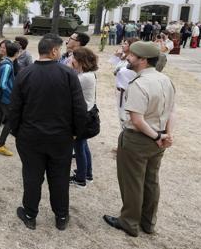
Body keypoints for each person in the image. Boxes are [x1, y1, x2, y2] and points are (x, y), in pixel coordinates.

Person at [9, 34, 87, 231]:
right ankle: (61, 216)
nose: (60, 53)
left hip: (30, 137)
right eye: (59, 50)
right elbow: (79, 108)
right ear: (53, 51)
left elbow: (14, 108)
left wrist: (17, 131)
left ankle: (29, 214)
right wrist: (76, 133)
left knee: (32, 176)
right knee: (59, 177)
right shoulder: (68, 74)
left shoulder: (24, 74)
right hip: (60, 138)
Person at [103, 41, 176, 237]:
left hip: (139, 139)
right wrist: (166, 135)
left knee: (133, 182)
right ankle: (148, 223)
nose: (127, 57)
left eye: (132, 55)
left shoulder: (139, 83)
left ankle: (129, 222)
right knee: (151, 182)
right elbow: (170, 111)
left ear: (143, 60)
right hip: (158, 139)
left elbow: (136, 120)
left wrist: (157, 136)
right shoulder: (165, 79)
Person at [69, 47, 98, 188]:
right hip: (86, 114)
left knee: (79, 147)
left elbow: (67, 85)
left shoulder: (84, 77)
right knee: (83, 145)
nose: (71, 60)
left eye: (74, 58)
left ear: (81, 61)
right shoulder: (88, 74)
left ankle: (81, 179)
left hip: (81, 117)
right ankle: (87, 173)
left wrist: (68, 68)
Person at [0, 41, 20, 156]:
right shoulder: (7, 65)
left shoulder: (4, 62)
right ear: (16, 53)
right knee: (11, 120)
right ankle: (0, 145)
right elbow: (3, 84)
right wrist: (12, 94)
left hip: (1, 98)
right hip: (6, 99)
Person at [109, 37, 139, 114]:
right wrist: (116, 56)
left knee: (126, 117)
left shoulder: (134, 61)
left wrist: (116, 71)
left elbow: (120, 71)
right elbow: (114, 65)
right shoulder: (124, 57)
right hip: (120, 91)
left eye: (125, 44)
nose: (122, 45)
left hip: (128, 93)